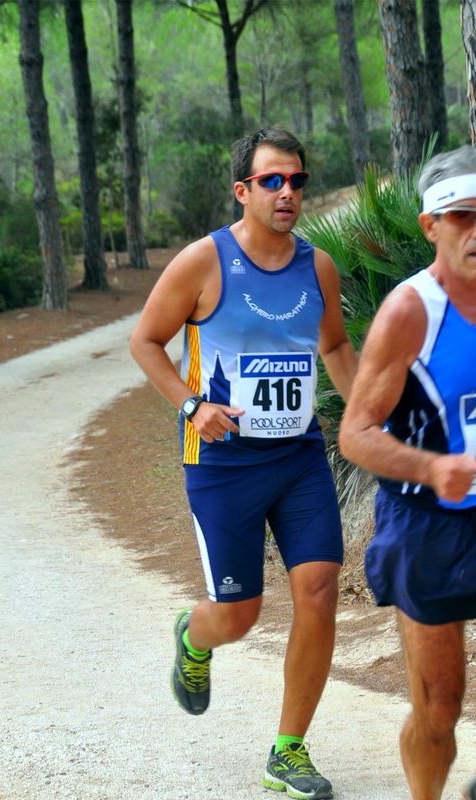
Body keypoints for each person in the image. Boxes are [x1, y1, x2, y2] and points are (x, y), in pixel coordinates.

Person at [130, 125, 356, 800]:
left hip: (297, 457)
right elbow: (145, 341)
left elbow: (337, 349)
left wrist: (375, 416)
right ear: (243, 191)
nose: (288, 193)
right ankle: (194, 637)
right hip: (222, 462)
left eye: (296, 181)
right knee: (238, 615)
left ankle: (287, 750)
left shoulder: (316, 266)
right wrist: (190, 404)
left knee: (317, 591)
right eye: (272, 181)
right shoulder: (203, 262)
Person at [339, 145, 476, 800]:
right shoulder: (409, 312)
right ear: (430, 226)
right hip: (428, 524)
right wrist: (432, 466)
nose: (475, 231)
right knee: (440, 702)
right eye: (460, 217)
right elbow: (355, 434)